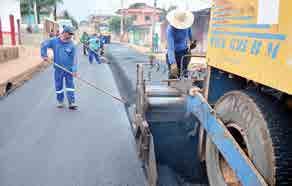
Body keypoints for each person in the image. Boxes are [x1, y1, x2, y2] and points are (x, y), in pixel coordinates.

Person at [41, 26, 78, 110]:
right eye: (69, 34)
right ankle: (60, 101)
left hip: (69, 70)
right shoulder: (54, 41)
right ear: (64, 33)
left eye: (72, 35)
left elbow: (74, 58)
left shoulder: (72, 44)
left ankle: (71, 102)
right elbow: (43, 44)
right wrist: (44, 55)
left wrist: (74, 70)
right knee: (59, 86)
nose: (71, 36)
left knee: (70, 86)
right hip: (58, 69)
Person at [166, 10, 194, 79]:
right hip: (174, 54)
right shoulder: (170, 30)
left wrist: (192, 42)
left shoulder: (187, 25)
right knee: (174, 76)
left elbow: (190, 35)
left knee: (184, 76)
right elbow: (170, 48)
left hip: (184, 53)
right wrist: (173, 63)